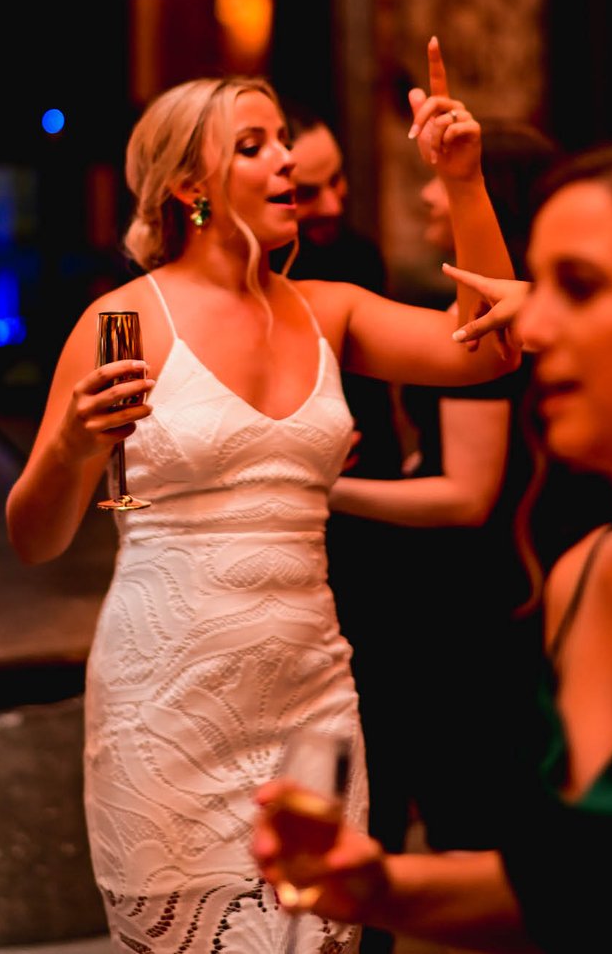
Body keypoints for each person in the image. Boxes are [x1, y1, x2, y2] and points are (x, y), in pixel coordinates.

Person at [5, 37, 519, 953]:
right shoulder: (124, 321)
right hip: (165, 707)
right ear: (189, 186)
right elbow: (34, 539)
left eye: (282, 138)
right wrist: (75, 447)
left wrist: (464, 176)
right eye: (254, 144)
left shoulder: (329, 309)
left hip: (311, 702)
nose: (287, 158)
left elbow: (487, 346)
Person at [255, 126, 612, 953]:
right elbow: (582, 883)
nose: (533, 326)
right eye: (537, 287)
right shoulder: (583, 580)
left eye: (580, 288)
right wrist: (384, 886)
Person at [279, 100, 412, 952]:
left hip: (360, 537)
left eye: (338, 183)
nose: (329, 204)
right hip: (278, 547)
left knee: (376, 743)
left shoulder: (354, 264)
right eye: (306, 189)